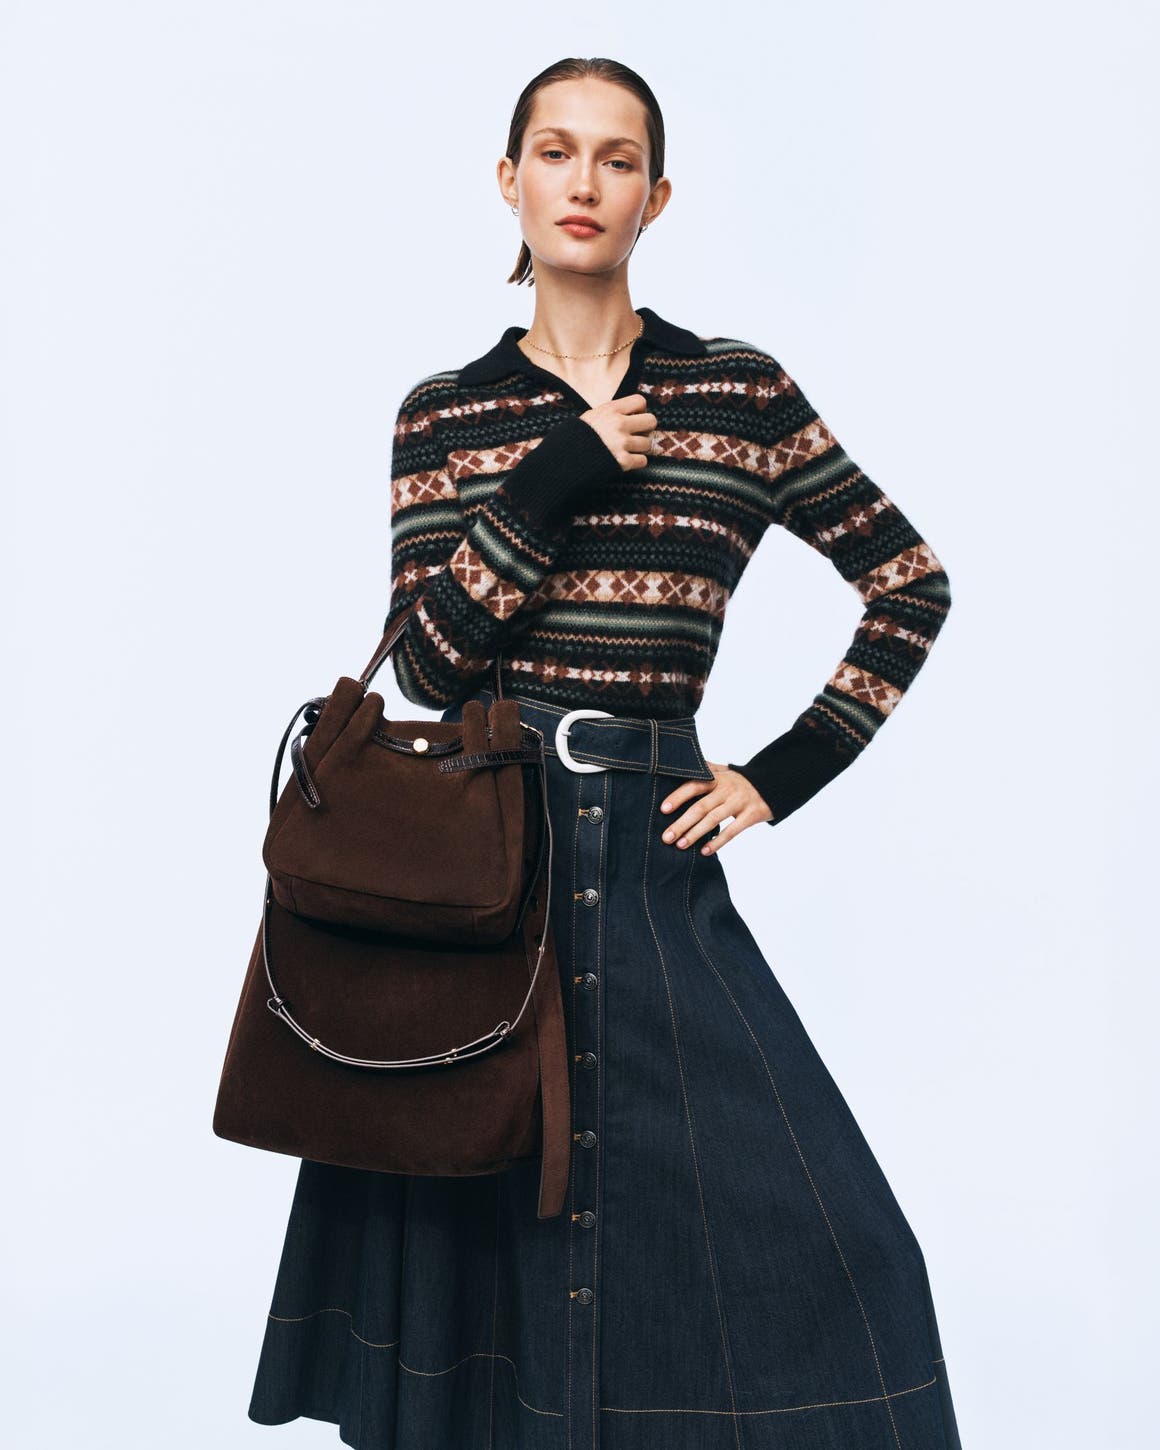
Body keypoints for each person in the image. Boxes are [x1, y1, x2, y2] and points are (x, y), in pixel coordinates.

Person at [246, 56, 963, 1450]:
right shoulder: (443, 412)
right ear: (508, 183)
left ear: (657, 193)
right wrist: (562, 466)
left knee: (842, 1242)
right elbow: (435, 660)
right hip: (475, 864)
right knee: (480, 1231)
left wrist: (780, 772)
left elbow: (909, 581)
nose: (584, 183)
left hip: (650, 859)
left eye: (616, 158)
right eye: (556, 153)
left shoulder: (740, 395)